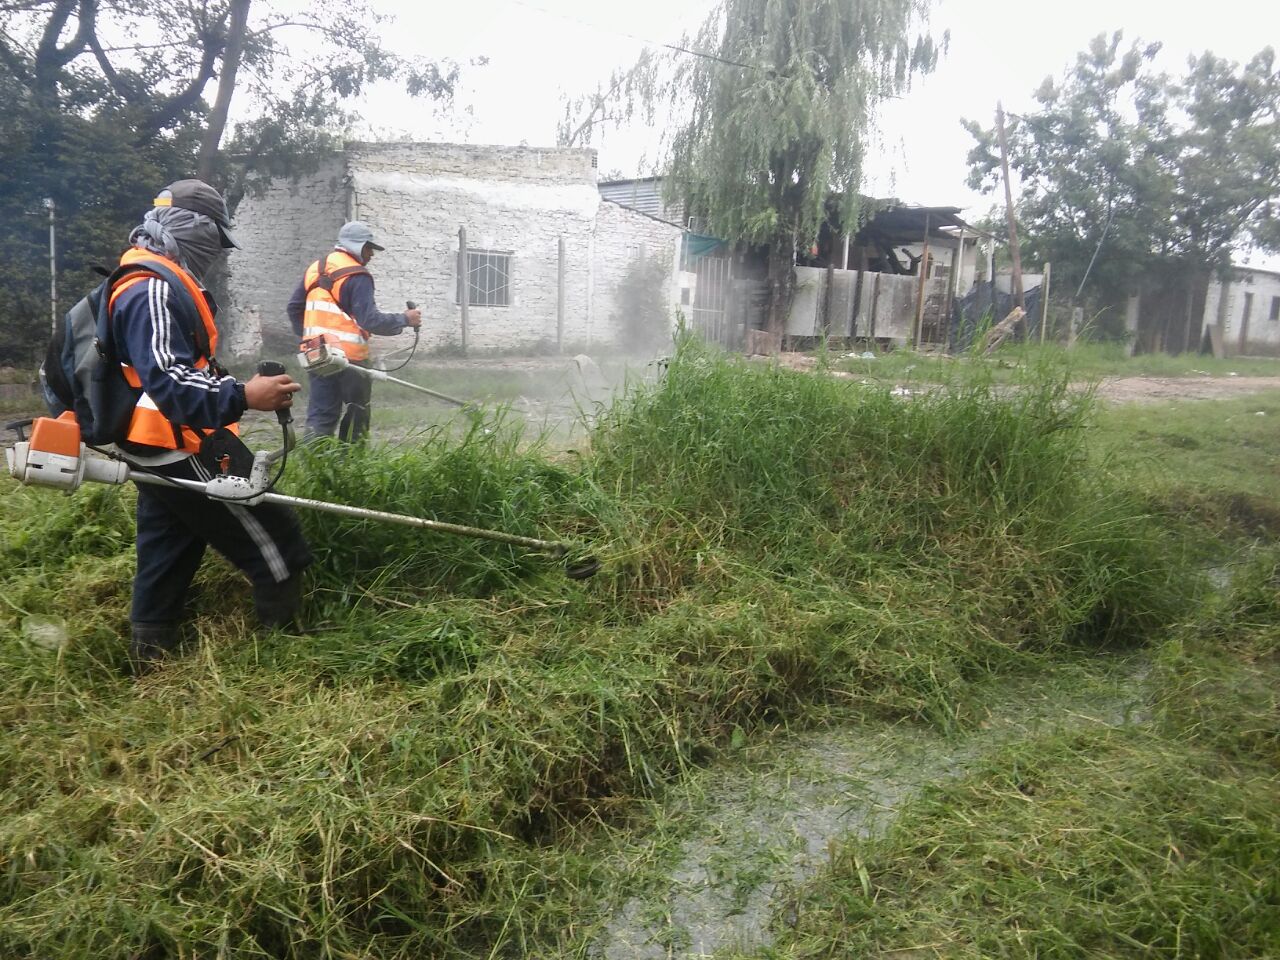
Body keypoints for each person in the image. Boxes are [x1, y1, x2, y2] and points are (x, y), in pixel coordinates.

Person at [111, 179, 312, 673]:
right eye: (214, 241)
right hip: (180, 441)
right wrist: (245, 397)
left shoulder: (149, 279)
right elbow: (172, 385)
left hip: (153, 441)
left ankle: (149, 662)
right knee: (274, 538)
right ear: (190, 229)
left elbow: (181, 367)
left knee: (169, 544)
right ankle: (286, 656)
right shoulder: (153, 288)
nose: (217, 253)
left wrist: (227, 385)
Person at [287, 221, 422, 441]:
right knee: (356, 415)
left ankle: (313, 468)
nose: (371, 254)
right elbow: (370, 320)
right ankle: (352, 466)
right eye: (369, 248)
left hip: (318, 356)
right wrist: (405, 319)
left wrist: (310, 339)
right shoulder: (357, 275)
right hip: (350, 360)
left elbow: (294, 308)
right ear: (358, 246)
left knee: (321, 415)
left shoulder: (316, 268)